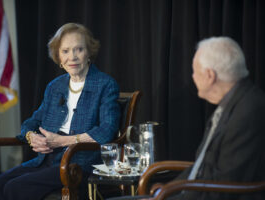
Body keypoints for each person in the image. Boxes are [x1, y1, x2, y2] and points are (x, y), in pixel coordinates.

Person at [109, 37, 265, 200]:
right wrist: (168, 189)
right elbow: (203, 165)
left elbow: (226, 184)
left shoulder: (249, 111)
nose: (192, 77)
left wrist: (168, 195)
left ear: (209, 75)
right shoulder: (231, 102)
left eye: (194, 71)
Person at [0, 23, 121, 200]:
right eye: (65, 51)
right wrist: (31, 137)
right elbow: (32, 122)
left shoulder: (105, 84)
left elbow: (107, 130)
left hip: (80, 163)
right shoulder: (55, 87)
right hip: (46, 160)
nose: (72, 57)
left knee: (15, 188)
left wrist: (62, 141)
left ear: (89, 53)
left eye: (79, 49)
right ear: (59, 57)